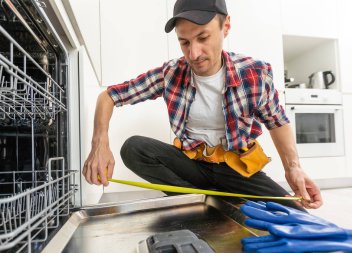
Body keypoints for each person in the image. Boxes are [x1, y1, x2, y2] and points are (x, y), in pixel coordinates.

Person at [82, 0, 323, 210]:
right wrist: (99, 144)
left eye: (203, 38)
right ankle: (199, 202)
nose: (194, 53)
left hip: (236, 168)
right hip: (191, 165)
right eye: (184, 42)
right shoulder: (170, 74)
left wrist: (294, 168)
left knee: (292, 214)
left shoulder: (255, 74)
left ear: (225, 27)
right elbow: (109, 96)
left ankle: (203, 202)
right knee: (134, 148)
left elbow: (276, 121)